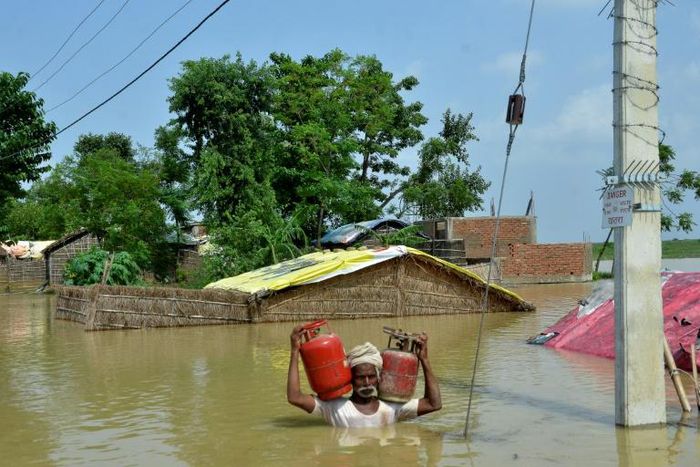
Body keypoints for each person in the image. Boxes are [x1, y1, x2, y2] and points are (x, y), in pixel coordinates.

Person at [287, 325, 441, 428]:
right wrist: (295, 351)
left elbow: (434, 404)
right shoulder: (335, 408)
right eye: (361, 377)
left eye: (371, 376)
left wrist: (424, 360)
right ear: (351, 378)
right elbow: (295, 397)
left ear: (379, 377)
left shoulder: (393, 407)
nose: (367, 382)